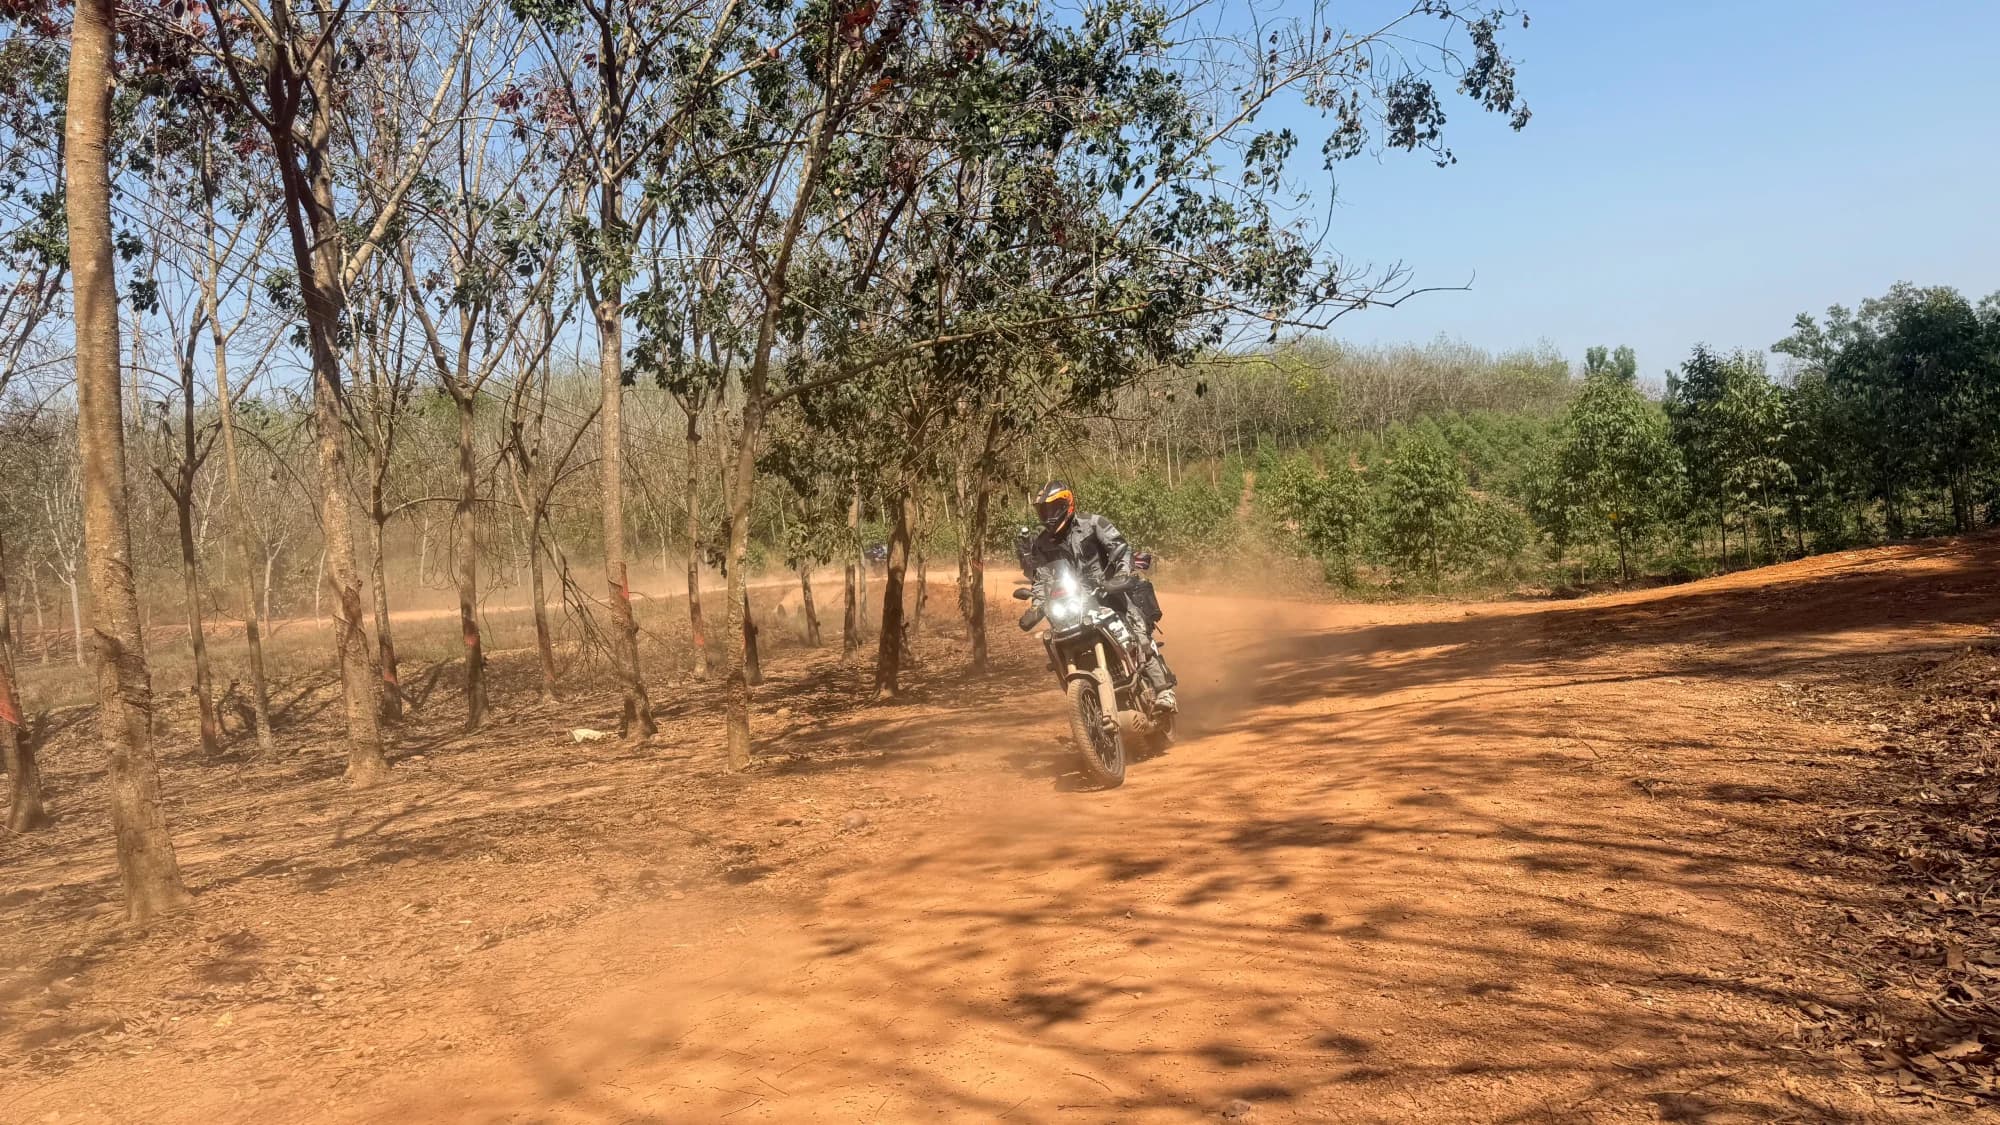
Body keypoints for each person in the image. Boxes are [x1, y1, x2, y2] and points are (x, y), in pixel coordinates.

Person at [1018, 480, 1177, 711]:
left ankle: (1164, 691)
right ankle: (1085, 703)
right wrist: (1037, 605)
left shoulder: (1092, 524)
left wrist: (1121, 576)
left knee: (1135, 632)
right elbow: (1041, 578)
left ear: (1067, 504)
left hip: (1108, 594)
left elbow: (1121, 549)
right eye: (1044, 510)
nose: (1048, 515)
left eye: (1053, 508)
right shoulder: (1042, 543)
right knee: (1054, 639)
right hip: (1074, 603)